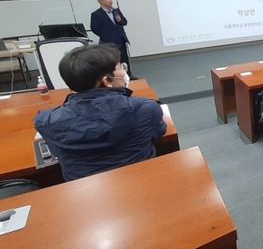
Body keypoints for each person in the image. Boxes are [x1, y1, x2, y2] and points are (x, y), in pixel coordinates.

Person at [35, 44, 166, 181]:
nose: (124, 72)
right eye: (121, 67)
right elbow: (159, 131)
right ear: (106, 80)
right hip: (142, 183)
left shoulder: (47, 122)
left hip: (85, 191)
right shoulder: (145, 109)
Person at [90, 0, 135, 78]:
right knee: (112, 60)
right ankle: (114, 77)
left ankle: (128, 75)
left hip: (121, 39)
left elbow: (124, 22)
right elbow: (94, 29)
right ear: (100, 1)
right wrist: (106, 35)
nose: (110, 1)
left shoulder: (116, 11)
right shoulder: (96, 14)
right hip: (108, 41)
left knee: (124, 58)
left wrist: (120, 20)